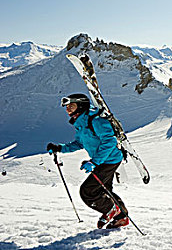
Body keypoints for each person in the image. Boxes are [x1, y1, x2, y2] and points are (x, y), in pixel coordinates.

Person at [46, 94, 129, 229]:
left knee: (88, 191)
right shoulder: (81, 122)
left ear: (81, 105)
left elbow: (110, 141)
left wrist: (94, 162)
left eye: (71, 106)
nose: (68, 110)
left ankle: (111, 210)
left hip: (109, 160)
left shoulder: (96, 120)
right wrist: (60, 148)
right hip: (102, 160)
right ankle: (121, 218)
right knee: (104, 190)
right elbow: (79, 143)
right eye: (66, 107)